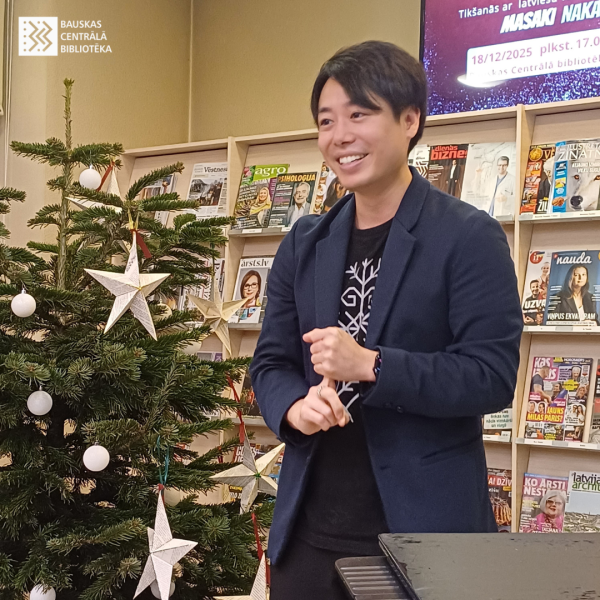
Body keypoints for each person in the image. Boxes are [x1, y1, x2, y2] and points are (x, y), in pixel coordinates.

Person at [249, 41, 522, 600]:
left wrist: (372, 365)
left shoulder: (468, 236)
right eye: (326, 121)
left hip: (424, 536)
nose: (339, 136)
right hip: (309, 536)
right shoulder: (305, 241)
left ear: (410, 120)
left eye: (359, 114)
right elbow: (271, 362)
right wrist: (294, 409)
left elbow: (490, 376)